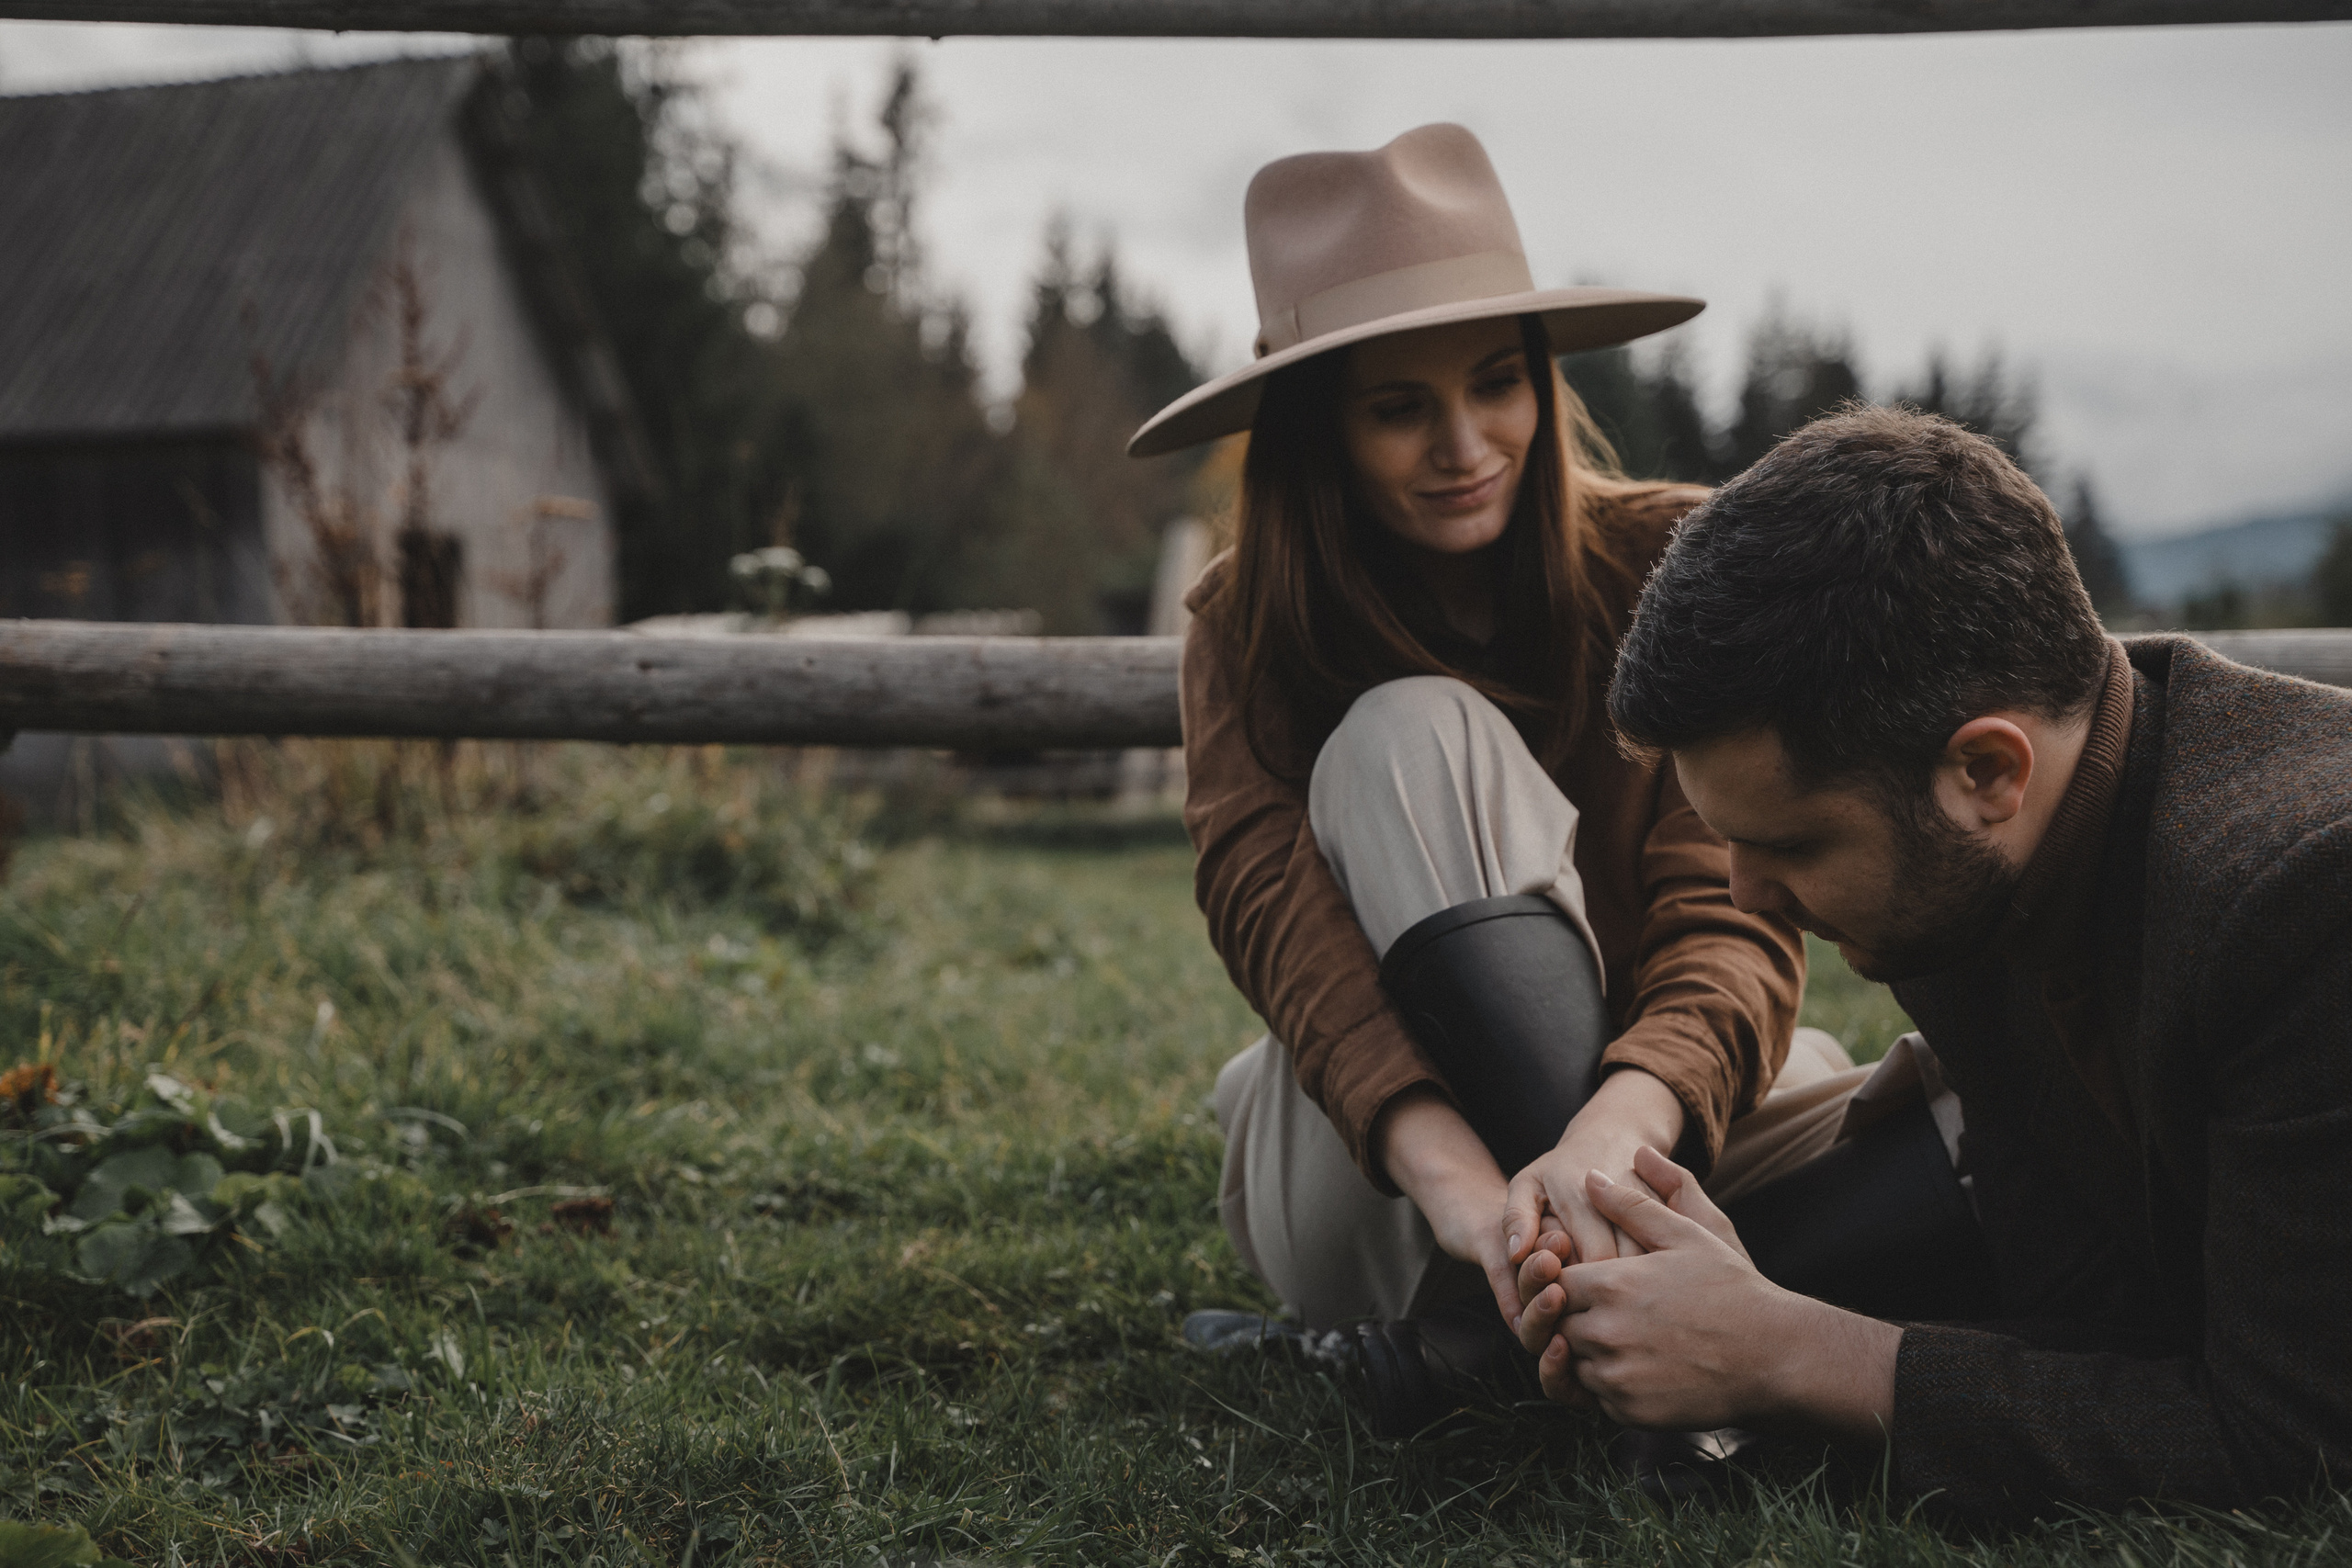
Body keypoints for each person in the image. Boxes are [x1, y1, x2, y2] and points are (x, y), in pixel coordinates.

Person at [1128, 123, 1857, 1427]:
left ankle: (1469, 1361)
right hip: (1398, 1175)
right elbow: (1275, 920)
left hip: (1644, 1128)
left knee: (1890, 1094)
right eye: (1400, 407)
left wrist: (1598, 1146)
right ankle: (1608, 1332)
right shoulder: (1244, 624)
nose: (1467, 443)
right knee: (1409, 730)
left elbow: (1731, 906)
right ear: (1321, 432)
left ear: (1540, 376)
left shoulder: (1673, 560)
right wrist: (1476, 1196)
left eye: (1495, 383)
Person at [1510, 401, 2352, 1521]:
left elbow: (2294, 1451)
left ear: (1987, 771)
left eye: (1791, 843)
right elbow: (2108, 1317)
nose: (1745, 896)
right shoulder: (1975, 864)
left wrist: (1792, 1351)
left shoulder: (2306, 892)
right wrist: (1751, 1300)